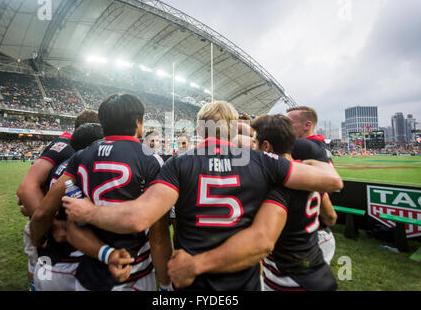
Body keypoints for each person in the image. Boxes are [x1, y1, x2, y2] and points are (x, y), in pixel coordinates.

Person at [63, 101, 343, 291]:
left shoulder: (179, 163)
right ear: (234, 129)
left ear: (199, 130)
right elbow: (332, 181)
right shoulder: (263, 162)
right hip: (242, 279)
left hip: (191, 280)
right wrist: (307, 163)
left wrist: (89, 212)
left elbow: (139, 218)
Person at [165, 114, 337, 291]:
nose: (252, 147)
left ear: (266, 146)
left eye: (255, 143)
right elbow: (331, 216)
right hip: (315, 262)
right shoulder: (306, 177)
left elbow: (261, 242)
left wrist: (195, 265)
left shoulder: (275, 185)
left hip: (291, 277)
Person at [30, 94, 172, 291]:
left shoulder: (81, 156)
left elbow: (43, 212)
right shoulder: (150, 159)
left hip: (89, 272)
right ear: (139, 123)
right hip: (133, 272)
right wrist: (165, 286)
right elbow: (158, 236)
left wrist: (36, 240)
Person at [17, 109, 99, 290]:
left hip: (52, 227)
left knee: (41, 270)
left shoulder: (71, 151)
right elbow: (25, 189)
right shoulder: (65, 146)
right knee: (40, 265)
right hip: (51, 229)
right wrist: (51, 225)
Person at [33, 123, 104, 291]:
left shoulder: (59, 167)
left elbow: (42, 213)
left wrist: (37, 238)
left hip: (49, 259)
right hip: (70, 262)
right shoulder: (86, 171)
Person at [286, 106, 337, 264]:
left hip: (309, 235)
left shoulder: (302, 147)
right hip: (316, 229)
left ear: (307, 125)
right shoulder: (317, 146)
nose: (285, 128)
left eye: (289, 123)